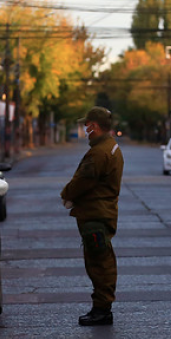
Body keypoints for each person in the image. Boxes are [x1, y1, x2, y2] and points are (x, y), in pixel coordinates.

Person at [60, 106, 124, 326]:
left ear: (94, 126)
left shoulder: (99, 152)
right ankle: (101, 307)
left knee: (99, 263)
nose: (85, 128)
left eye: (87, 124)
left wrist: (67, 194)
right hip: (101, 212)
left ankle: (102, 310)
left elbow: (83, 181)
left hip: (95, 215)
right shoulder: (110, 146)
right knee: (101, 260)